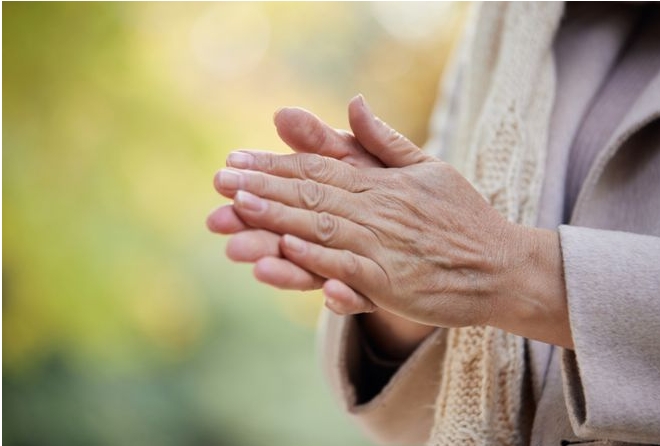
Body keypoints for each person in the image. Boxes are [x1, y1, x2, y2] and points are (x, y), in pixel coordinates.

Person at [207, 2, 660, 445]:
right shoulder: (506, 24)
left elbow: (475, 255)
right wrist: (393, 285)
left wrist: (509, 269)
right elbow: (439, 265)